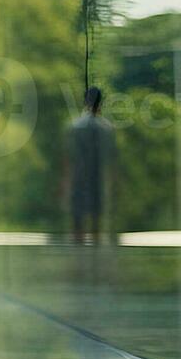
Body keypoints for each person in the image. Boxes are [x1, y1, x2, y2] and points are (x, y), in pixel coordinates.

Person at [64, 85, 117, 243]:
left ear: (85, 102)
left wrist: (65, 180)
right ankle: (95, 247)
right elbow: (111, 158)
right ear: (101, 103)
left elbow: (68, 156)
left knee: (77, 218)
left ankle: (77, 249)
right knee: (96, 217)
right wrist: (114, 181)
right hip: (97, 176)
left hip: (78, 176)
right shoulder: (106, 128)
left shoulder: (75, 126)